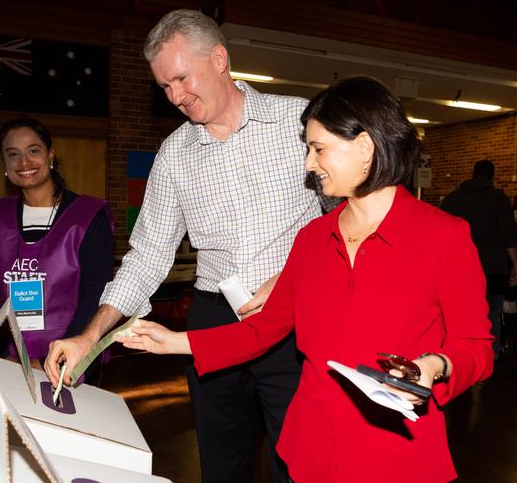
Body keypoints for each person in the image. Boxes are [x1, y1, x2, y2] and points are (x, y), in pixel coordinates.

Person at [116, 76, 494, 482]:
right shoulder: (312, 239)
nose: (309, 163)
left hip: (394, 455)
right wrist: (174, 342)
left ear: (364, 147)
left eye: (318, 149)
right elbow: (262, 330)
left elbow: (476, 346)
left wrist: (433, 366)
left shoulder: (444, 236)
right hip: (311, 451)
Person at [45, 9, 334, 483]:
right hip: (213, 318)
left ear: (219, 58)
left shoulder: (298, 123)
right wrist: (88, 335)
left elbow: (340, 223)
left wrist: (293, 276)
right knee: (221, 463)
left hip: (293, 317)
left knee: (300, 461)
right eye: (165, 87)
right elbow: (147, 257)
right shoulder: (175, 154)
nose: (176, 97)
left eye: (182, 78)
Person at [0, 117, 114, 381]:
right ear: (4, 163)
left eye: (33, 150)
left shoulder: (88, 216)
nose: (24, 162)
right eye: (13, 154)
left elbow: (97, 290)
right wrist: (0, 355)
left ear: (50, 154)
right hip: (12, 360)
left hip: (73, 357)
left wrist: (58, 356)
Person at [441, 159, 517, 358]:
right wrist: (515, 263)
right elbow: (508, 234)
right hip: (493, 267)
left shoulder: (452, 199)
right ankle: (489, 355)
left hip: (457, 268)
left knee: (457, 313)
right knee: (492, 312)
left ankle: (458, 355)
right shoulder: (498, 200)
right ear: (492, 176)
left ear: (473, 174)